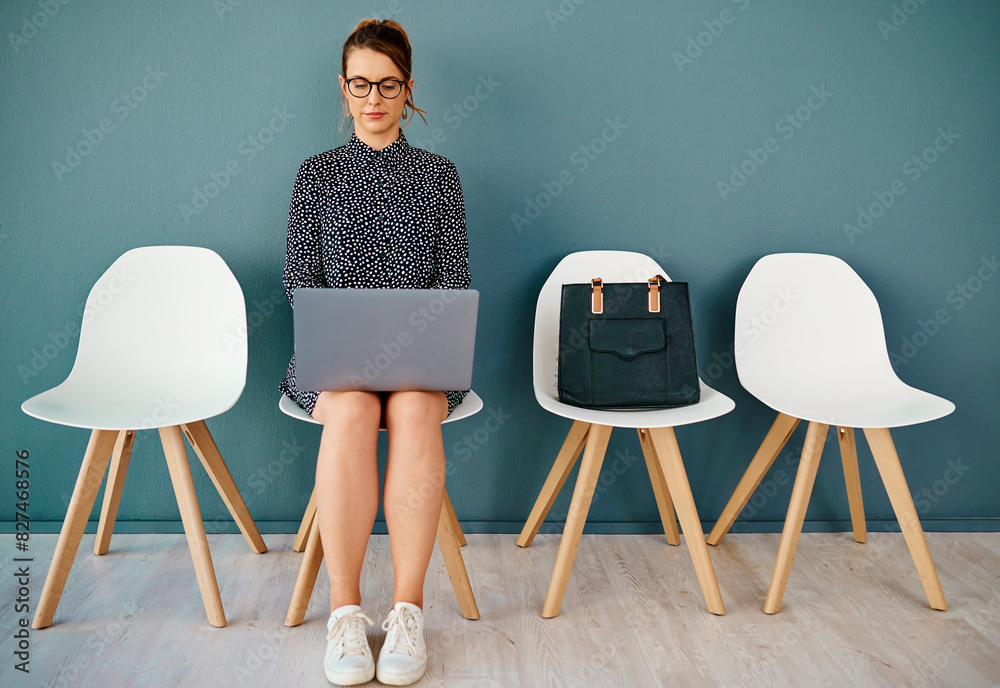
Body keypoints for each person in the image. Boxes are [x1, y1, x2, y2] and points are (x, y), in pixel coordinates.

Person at [279, 18, 471, 687]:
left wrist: (415, 343)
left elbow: (452, 283)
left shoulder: (439, 176)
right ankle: (344, 615)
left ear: (408, 88)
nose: (374, 98)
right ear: (343, 87)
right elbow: (300, 282)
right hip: (334, 362)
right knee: (354, 410)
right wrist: (347, 343)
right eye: (361, 84)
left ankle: (409, 612)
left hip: (421, 364)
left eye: (388, 84)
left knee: (417, 409)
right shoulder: (316, 175)